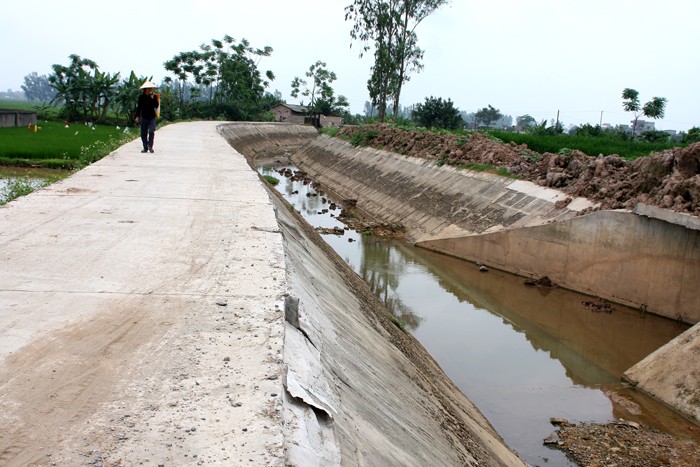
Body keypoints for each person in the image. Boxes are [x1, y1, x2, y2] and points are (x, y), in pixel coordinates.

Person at [135, 81, 160, 153]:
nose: (151, 89)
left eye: (151, 88)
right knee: (143, 133)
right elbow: (139, 107)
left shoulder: (154, 96)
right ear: (146, 89)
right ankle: (145, 147)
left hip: (152, 117)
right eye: (149, 88)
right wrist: (137, 116)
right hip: (144, 117)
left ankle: (150, 146)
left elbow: (156, 105)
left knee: (151, 132)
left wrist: (152, 99)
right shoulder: (141, 97)